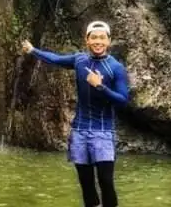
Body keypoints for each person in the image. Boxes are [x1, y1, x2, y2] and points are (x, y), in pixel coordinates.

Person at [22, 21, 130, 207]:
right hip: (79, 131)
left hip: (102, 132)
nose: (98, 41)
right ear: (87, 40)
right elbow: (55, 59)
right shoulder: (79, 60)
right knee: (86, 183)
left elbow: (123, 100)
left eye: (102, 38)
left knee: (105, 181)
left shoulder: (116, 67)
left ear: (109, 41)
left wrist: (101, 86)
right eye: (93, 37)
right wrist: (33, 51)